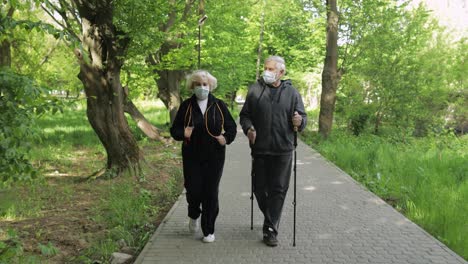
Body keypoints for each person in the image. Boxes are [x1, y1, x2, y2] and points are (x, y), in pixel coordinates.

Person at [240, 56, 307, 247]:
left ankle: (270, 229)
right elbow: (245, 116)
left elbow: (302, 117)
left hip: (283, 149)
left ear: (281, 72)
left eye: (271, 69)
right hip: (260, 149)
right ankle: (271, 217)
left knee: (278, 189)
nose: (267, 72)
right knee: (259, 189)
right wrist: (249, 129)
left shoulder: (292, 93)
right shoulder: (255, 90)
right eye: (266, 68)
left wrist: (299, 122)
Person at [170, 70, 237, 243]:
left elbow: (231, 127)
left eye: (205, 84)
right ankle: (193, 214)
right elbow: (175, 130)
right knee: (193, 191)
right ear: (192, 87)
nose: (202, 87)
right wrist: (182, 133)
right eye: (198, 84)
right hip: (192, 156)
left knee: (210, 193)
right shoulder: (186, 106)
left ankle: (208, 229)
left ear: (211, 86)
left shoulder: (219, 105)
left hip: (215, 157)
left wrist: (226, 138)